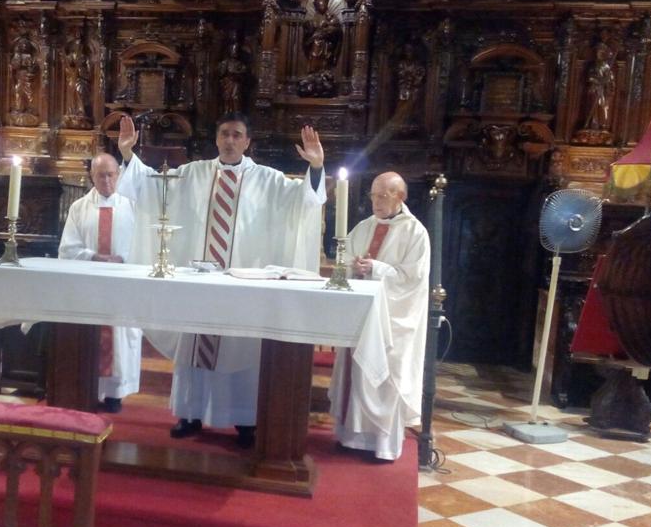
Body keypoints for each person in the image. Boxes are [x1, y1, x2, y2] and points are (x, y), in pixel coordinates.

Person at [117, 112, 326, 447]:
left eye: (237, 134)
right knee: (195, 345)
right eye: (224, 133)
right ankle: (190, 413)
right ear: (216, 139)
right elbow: (152, 187)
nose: (230, 140)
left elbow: (304, 201)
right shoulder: (192, 174)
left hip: (241, 286)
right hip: (199, 284)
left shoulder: (269, 180)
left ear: (247, 141)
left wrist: (315, 167)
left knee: (241, 350)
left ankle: (244, 420)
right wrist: (128, 154)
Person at [328, 171, 429, 461]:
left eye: (383, 195)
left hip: (392, 322)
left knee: (385, 379)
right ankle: (350, 438)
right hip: (361, 319)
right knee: (355, 375)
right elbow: (344, 260)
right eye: (373, 195)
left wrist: (376, 268)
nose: (376, 201)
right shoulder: (363, 227)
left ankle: (382, 446)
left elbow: (413, 279)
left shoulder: (415, 233)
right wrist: (353, 265)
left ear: (401, 196)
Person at [59, 153, 142, 413]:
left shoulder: (133, 206)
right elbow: (67, 248)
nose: (106, 180)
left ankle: (116, 394)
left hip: (122, 286)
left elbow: (143, 245)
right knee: (91, 336)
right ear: (91, 176)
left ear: (119, 174)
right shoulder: (79, 208)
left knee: (121, 338)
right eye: (100, 175)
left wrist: (123, 259)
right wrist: (95, 257)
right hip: (90, 286)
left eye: (110, 175)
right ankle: (89, 389)